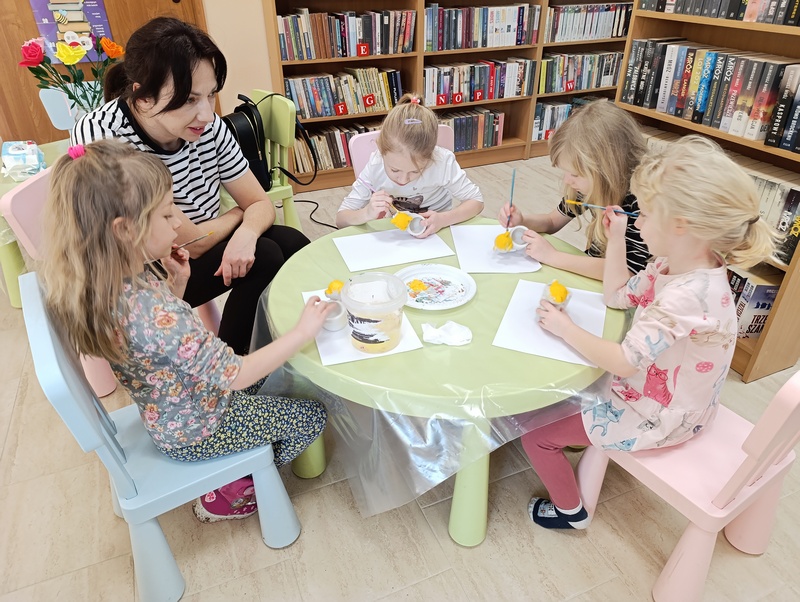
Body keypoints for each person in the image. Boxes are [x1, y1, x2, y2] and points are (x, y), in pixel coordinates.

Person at [40, 140, 334, 522]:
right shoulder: (153, 313)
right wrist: (301, 332)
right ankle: (233, 487)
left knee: (280, 376)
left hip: (176, 412)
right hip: (202, 428)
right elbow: (237, 374)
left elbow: (158, 346)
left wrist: (176, 286)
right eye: (167, 215)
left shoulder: (115, 282)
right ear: (125, 229)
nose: (178, 223)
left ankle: (239, 467)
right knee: (311, 415)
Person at [520, 135, 777, 530]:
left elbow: (624, 363)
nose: (636, 221)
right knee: (563, 384)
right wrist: (617, 239)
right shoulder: (675, 263)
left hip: (659, 415)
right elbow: (616, 295)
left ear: (680, 226)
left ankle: (571, 514)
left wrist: (564, 327)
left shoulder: (686, 296)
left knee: (535, 437)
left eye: (644, 213)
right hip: (665, 394)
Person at [71, 17, 309, 355]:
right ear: (143, 98)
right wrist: (238, 216)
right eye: (189, 100)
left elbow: (261, 204)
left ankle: (292, 342)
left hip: (193, 244)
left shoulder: (209, 127)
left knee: (292, 242)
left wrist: (246, 232)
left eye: (211, 95)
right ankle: (229, 363)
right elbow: (189, 242)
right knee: (265, 256)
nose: (207, 114)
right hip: (145, 274)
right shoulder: (104, 136)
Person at [498, 100, 650, 279]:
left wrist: (553, 256)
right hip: (593, 272)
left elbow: (628, 272)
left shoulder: (641, 203)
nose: (567, 180)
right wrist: (523, 220)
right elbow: (552, 221)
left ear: (606, 172)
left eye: (575, 174)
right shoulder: (589, 187)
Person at [336, 94, 483, 236]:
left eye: (415, 171)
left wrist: (444, 219)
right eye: (394, 170)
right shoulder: (376, 164)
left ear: (431, 155)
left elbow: (476, 201)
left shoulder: (442, 161)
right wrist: (366, 213)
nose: (403, 180)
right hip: (394, 232)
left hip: (437, 231)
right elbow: (341, 219)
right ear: (381, 150)